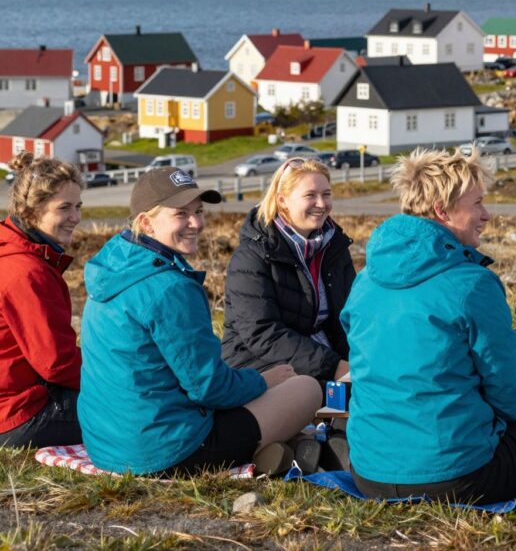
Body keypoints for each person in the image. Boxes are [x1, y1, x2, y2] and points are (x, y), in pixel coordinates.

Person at [344, 148, 516, 502]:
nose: (486, 214)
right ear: (442, 211)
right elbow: (510, 398)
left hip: (369, 473)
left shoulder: (365, 280)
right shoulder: (472, 284)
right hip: (456, 477)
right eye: (477, 203)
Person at [79, 168, 323, 476]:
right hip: (168, 452)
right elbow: (209, 388)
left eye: (198, 211)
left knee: (252, 387)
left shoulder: (112, 270)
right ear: (146, 222)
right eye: (181, 214)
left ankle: (280, 446)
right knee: (306, 388)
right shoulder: (170, 287)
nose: (195, 223)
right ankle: (281, 446)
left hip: (106, 446)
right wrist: (264, 381)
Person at [222, 157, 356, 383]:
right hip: (258, 365)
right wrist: (335, 367)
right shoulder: (252, 256)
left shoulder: (334, 248)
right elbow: (262, 333)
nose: (321, 204)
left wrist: (360, 361)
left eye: (326, 194)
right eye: (310, 195)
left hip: (322, 355)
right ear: (282, 200)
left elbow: (348, 317)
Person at [0, 154, 85, 448]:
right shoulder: (26, 271)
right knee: (135, 410)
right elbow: (56, 363)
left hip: (11, 396)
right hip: (18, 413)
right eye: (64, 208)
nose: (76, 217)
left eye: (78, 206)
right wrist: (114, 376)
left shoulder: (10, 249)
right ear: (32, 212)